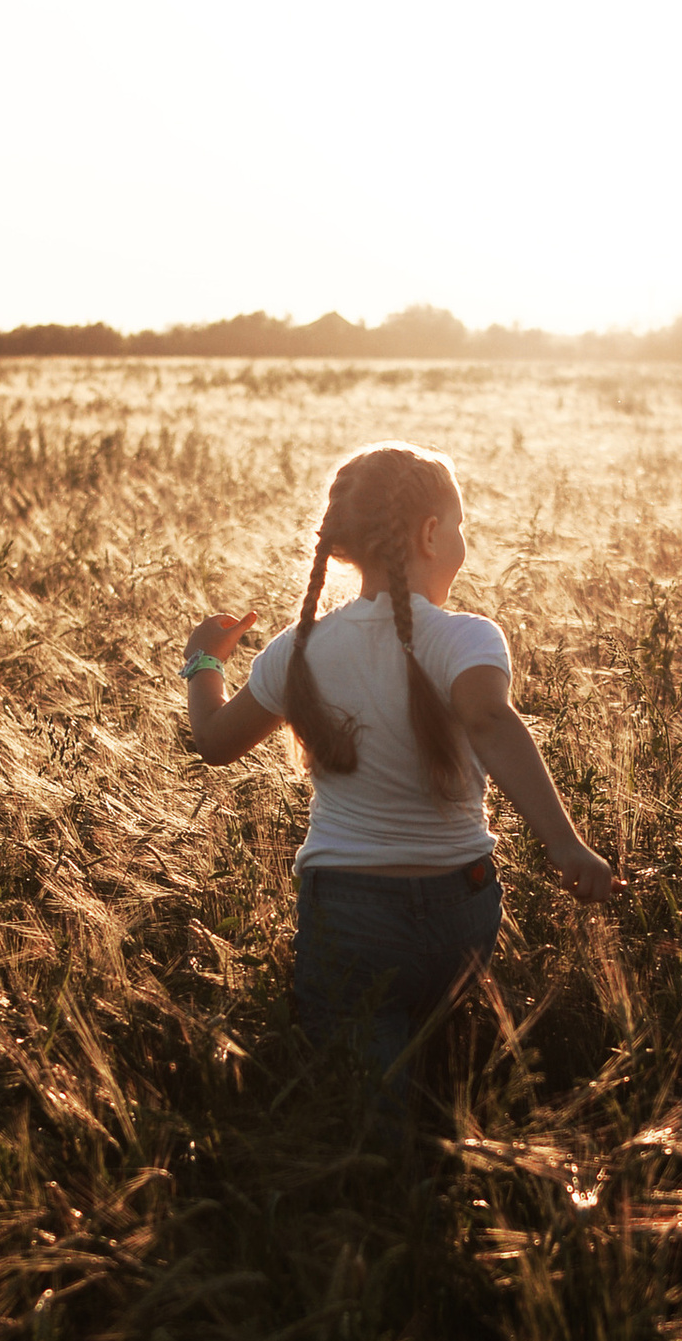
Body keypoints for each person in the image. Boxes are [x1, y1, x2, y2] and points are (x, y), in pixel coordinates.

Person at [178, 439, 620, 1105]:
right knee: (444, 1073)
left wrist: (203, 663)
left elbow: (213, 742)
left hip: (349, 914)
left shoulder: (297, 650)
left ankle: (389, 1178)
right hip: (461, 912)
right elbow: (490, 722)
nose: (464, 541)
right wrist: (564, 842)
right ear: (432, 532)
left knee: (369, 1101)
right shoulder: (467, 638)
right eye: (462, 526)